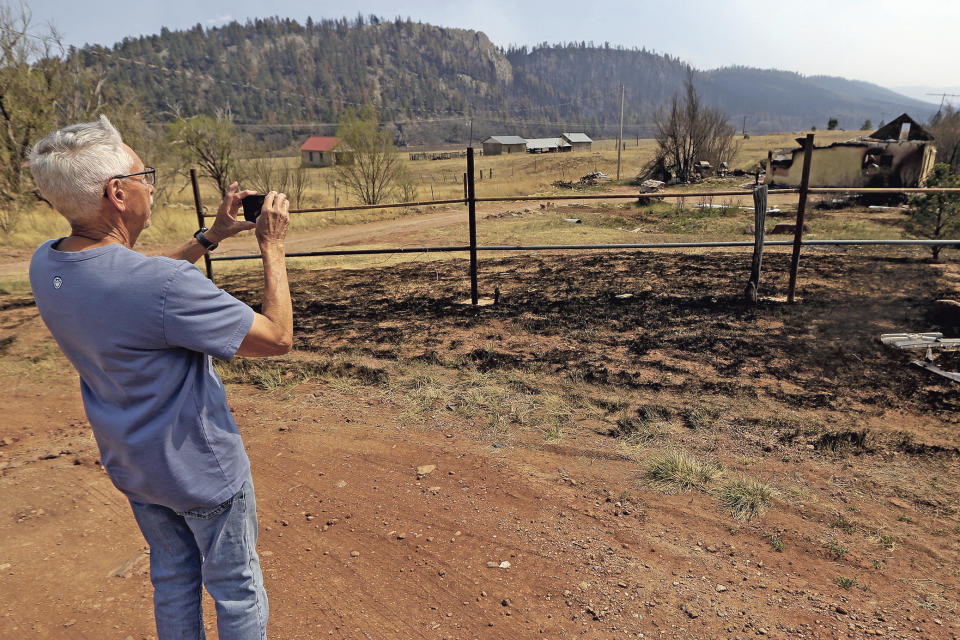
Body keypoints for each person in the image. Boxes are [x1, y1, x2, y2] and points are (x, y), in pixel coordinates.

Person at [27, 115, 292, 640]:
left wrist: (208, 238)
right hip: (202, 469)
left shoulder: (46, 264)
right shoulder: (158, 284)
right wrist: (273, 247)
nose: (151, 184)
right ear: (117, 193)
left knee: (172, 578)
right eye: (143, 174)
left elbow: (133, 283)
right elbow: (276, 339)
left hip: (135, 467)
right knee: (236, 588)